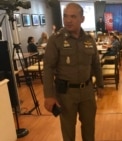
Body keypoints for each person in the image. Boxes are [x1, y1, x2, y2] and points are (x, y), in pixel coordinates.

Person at [43, 3, 104, 141]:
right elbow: (48, 68)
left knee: (89, 129)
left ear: (82, 19)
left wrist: (100, 84)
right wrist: (49, 95)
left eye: (73, 16)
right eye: (65, 16)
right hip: (66, 94)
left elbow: (96, 64)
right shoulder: (55, 40)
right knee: (68, 131)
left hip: (87, 91)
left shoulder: (89, 40)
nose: (68, 20)